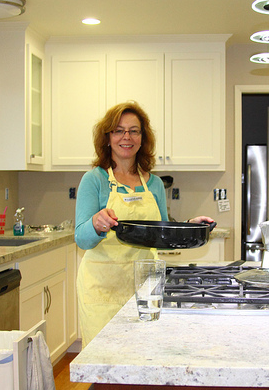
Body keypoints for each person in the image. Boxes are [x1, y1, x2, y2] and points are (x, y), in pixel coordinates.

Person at [74, 101, 214, 347]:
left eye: (134, 131)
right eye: (118, 130)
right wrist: (95, 223)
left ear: (142, 138)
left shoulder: (155, 184)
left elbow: (162, 234)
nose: (126, 137)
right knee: (104, 357)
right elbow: (81, 239)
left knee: (144, 352)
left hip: (145, 287)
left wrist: (190, 226)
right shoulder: (94, 180)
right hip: (102, 288)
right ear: (107, 137)